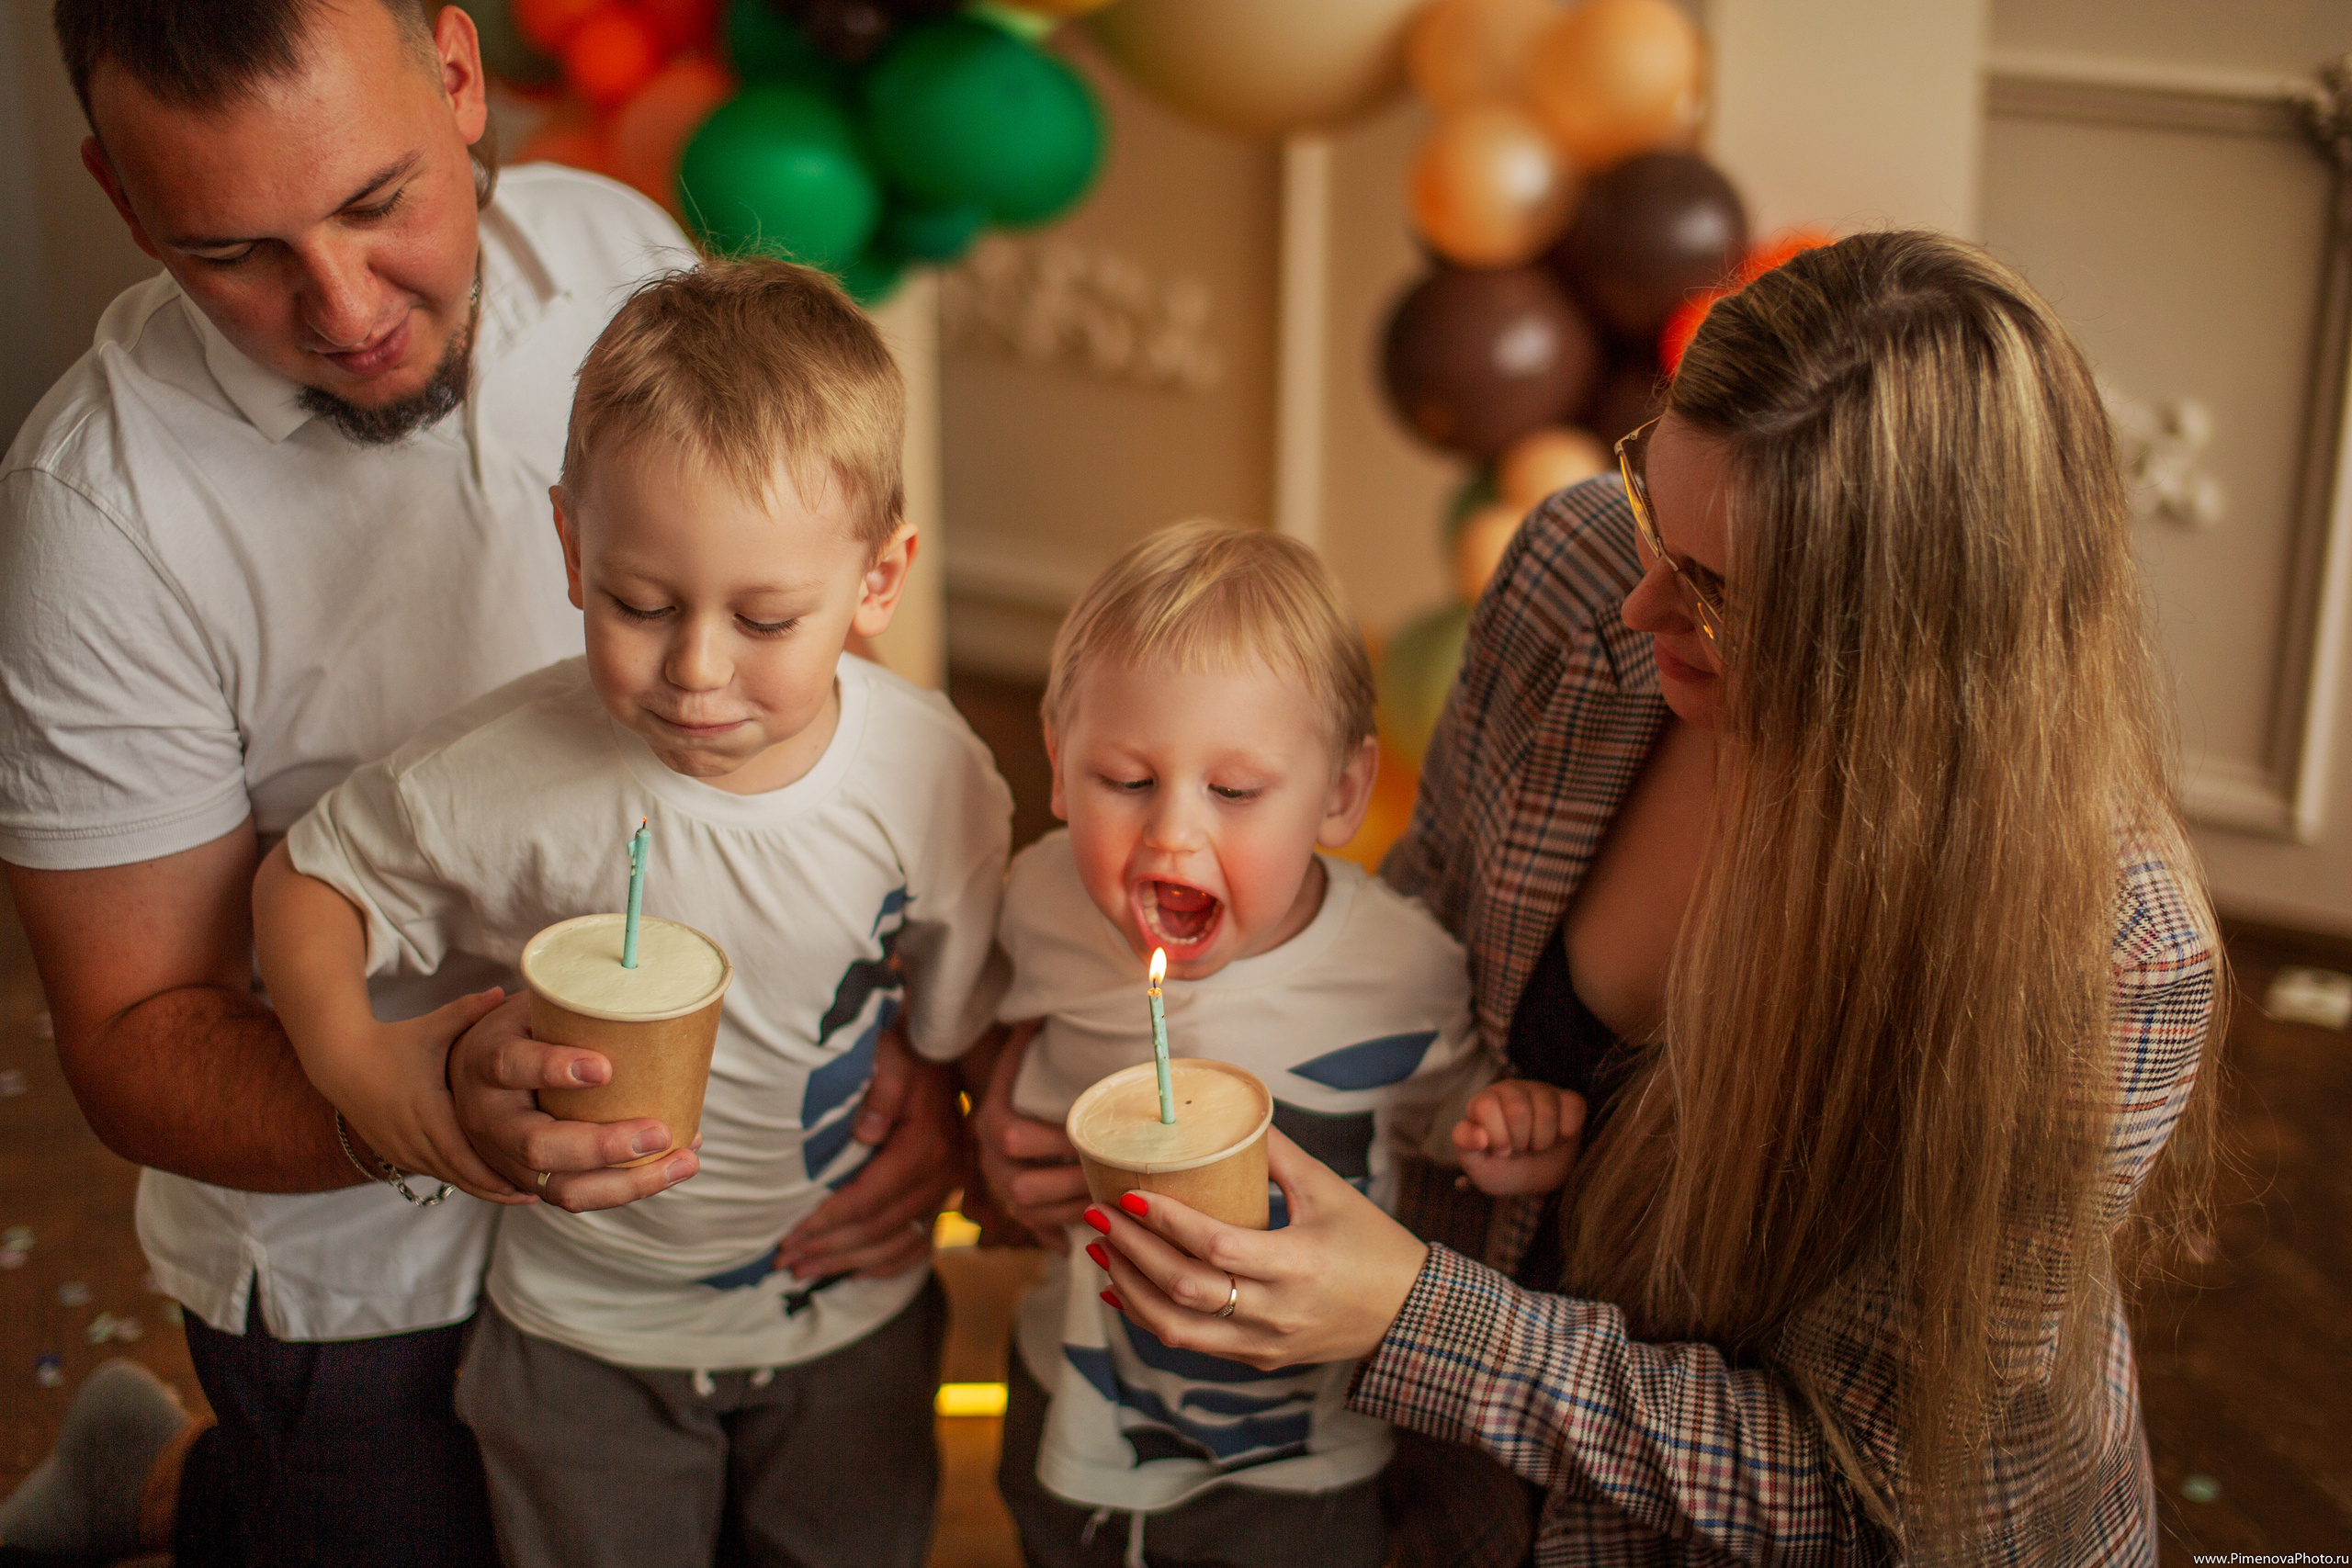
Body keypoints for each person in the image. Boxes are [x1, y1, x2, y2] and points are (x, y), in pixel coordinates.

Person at [1005, 232, 2223, 1565]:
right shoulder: (1579, 570)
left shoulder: (2104, 961)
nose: (1640, 600)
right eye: (1656, 507)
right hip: (1434, 1502)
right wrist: (1074, 1105)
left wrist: (1419, 1313)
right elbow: (1408, 941)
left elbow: (1871, 1497)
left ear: (1915, 661)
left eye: (1719, 595)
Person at [0, 3, 966, 1561]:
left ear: (458, 77)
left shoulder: (615, 257)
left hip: (708, 1223)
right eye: (233, 251)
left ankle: (177, 1477)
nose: (343, 306)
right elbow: (129, 1040)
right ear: (124, 199)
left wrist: (912, 1053)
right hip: (358, 1270)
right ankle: (191, 1485)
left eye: (379, 203)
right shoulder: (94, 518)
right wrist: (415, 1110)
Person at [249, 257, 1012, 1568]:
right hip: (580, 1340)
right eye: (639, 603)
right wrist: (358, 1063)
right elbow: (309, 883)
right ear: (570, 546)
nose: (699, 671)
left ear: (879, 578)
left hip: (848, 1325)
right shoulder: (507, 770)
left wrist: (947, 1086)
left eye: (767, 616)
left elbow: (966, 1005)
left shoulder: (934, 775)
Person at [984, 522, 1487, 1568]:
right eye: (1124, 780)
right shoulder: (1035, 901)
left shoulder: (1400, 970)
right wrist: (985, 1113)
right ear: (1056, 764)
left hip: (1293, 1472)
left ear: (1341, 795)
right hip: (1071, 1411)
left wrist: (1506, 1127)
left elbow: (1458, 1131)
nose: (1171, 834)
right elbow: (989, 1033)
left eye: (1234, 792)